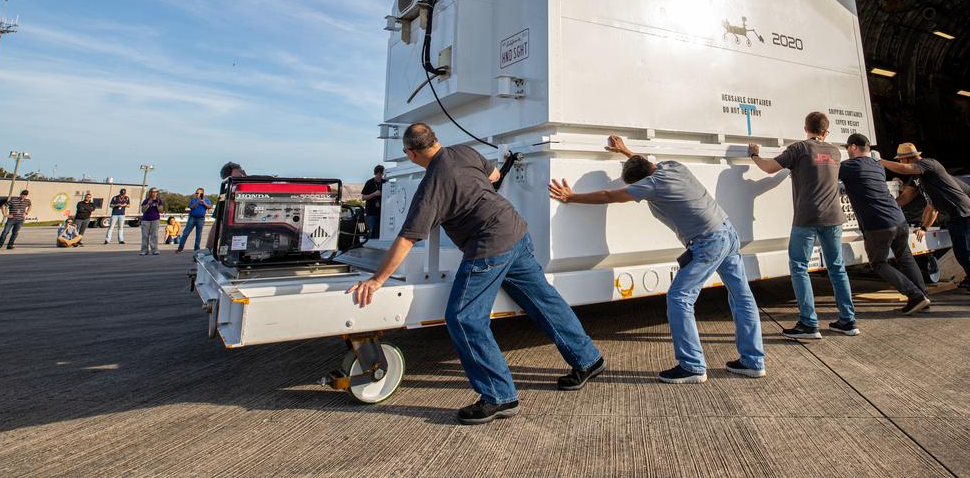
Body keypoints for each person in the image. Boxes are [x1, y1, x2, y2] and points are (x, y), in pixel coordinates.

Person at [348, 123, 604, 425]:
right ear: (435, 140)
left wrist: (376, 280)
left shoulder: (431, 186)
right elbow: (494, 177)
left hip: (489, 246)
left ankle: (499, 396)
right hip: (515, 231)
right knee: (544, 300)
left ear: (411, 153)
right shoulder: (464, 152)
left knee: (464, 318)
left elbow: (407, 239)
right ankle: (588, 359)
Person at [549, 135, 765, 383]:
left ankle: (692, 366)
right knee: (741, 296)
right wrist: (626, 151)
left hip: (708, 242)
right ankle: (753, 361)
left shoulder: (651, 185)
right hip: (727, 231)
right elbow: (644, 164)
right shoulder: (673, 166)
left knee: (679, 298)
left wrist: (571, 197)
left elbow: (608, 195)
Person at [749, 111, 858, 340]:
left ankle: (809, 324)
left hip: (807, 217)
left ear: (805, 128)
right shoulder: (835, 152)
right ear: (826, 132)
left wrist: (754, 155)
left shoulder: (799, 149)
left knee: (799, 266)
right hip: (834, 218)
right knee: (837, 268)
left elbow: (769, 168)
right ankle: (848, 321)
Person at [880, 144, 970, 305]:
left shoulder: (929, 164)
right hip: (957, 216)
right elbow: (906, 197)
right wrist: (887, 208)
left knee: (968, 256)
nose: (900, 163)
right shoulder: (917, 178)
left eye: (900, 160)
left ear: (906, 159)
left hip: (963, 214)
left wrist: (879, 160)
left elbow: (904, 170)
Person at [840, 133, 930, 314]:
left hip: (878, 224)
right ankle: (923, 297)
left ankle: (916, 296)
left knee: (878, 263)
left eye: (848, 148)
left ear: (854, 147)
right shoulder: (878, 166)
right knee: (905, 257)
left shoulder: (849, 166)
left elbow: (825, 174)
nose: (847, 151)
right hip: (899, 218)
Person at [176, 188, 212, 252]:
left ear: (202, 193)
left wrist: (203, 202)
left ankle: (196, 249)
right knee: (185, 233)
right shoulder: (193, 200)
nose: (197, 194)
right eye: (196, 193)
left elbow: (210, 207)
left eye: (198, 193)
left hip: (201, 218)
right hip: (192, 217)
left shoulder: (206, 200)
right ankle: (180, 248)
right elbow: (191, 207)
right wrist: (198, 201)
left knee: (198, 234)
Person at [361, 166, 385, 239]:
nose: (381, 176)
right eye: (379, 174)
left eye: (382, 174)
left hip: (382, 213)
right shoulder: (369, 182)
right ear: (375, 173)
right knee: (370, 232)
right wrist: (374, 194)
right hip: (371, 212)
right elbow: (363, 198)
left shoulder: (385, 182)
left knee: (379, 234)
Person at [139, 188, 164, 256]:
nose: (154, 193)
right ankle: (144, 250)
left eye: (156, 192)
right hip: (146, 220)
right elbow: (143, 210)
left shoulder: (159, 201)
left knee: (154, 235)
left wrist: (157, 205)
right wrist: (148, 203)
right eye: (153, 192)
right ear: (150, 193)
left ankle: (154, 250)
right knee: (145, 236)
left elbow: (161, 211)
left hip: (155, 219)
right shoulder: (146, 201)